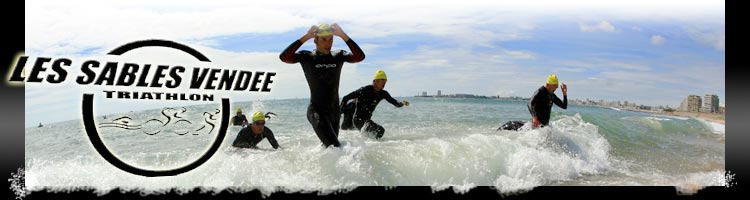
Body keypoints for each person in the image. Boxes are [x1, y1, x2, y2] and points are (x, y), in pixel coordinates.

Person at [279, 23, 365, 147]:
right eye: (324, 39)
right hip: (317, 111)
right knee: (335, 147)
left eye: (331, 39)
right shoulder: (307, 57)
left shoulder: (338, 56)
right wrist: (306, 36)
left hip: (334, 112)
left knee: (330, 150)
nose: (328, 43)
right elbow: (284, 57)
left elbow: (360, 57)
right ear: (315, 40)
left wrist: (342, 35)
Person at [340, 70, 409, 139]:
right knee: (379, 130)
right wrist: (339, 112)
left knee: (378, 132)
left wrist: (402, 103)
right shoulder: (365, 90)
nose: (384, 83)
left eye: (385, 81)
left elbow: (396, 103)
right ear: (375, 81)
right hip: (358, 120)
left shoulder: (383, 93)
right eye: (382, 81)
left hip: (367, 120)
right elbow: (346, 98)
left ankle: (370, 146)